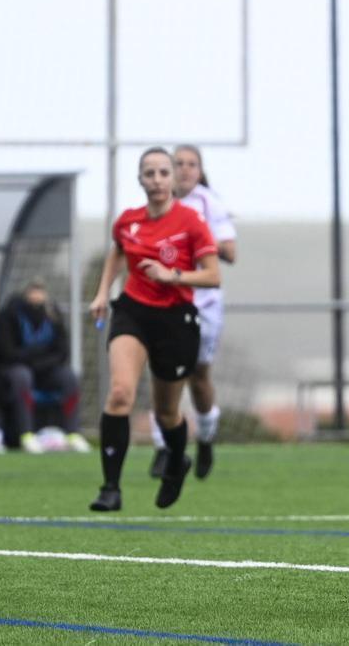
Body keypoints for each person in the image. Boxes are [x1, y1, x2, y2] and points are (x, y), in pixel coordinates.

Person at [88, 147, 220, 511]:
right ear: (141, 179)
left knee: (166, 413)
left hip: (176, 319)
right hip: (132, 313)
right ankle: (110, 489)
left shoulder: (191, 221)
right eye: (150, 173)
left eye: (164, 173)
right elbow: (118, 250)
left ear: (173, 179)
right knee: (119, 393)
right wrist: (103, 293)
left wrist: (172, 275)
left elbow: (213, 275)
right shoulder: (128, 220)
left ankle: (177, 463)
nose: (158, 180)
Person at [149, 145, 237, 480]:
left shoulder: (208, 203)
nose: (185, 170)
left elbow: (230, 252)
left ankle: (206, 438)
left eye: (191, 164)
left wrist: (195, 238)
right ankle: (164, 448)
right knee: (163, 375)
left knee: (198, 378)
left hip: (203, 304)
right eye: (179, 164)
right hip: (165, 302)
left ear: (199, 171)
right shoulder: (156, 205)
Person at [0, 278, 89, 453]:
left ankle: (73, 433)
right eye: (33, 290)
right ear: (26, 292)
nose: (37, 294)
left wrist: (41, 360)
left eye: (40, 290)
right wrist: (36, 356)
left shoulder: (52, 314)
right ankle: (26, 434)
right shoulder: (10, 314)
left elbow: (61, 351)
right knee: (22, 377)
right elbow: (7, 352)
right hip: (17, 368)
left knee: (69, 378)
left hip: (46, 369)